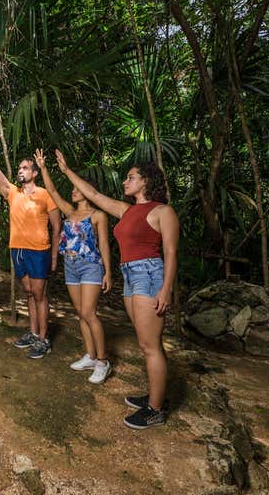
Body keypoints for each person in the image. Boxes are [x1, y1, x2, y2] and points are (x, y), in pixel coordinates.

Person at [55, 149, 179, 429]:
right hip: (130, 275)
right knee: (147, 342)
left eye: (130, 177)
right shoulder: (127, 210)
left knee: (150, 345)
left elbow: (171, 253)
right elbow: (93, 195)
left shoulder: (163, 212)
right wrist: (66, 170)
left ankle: (155, 409)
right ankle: (155, 396)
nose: (125, 181)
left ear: (146, 181)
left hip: (149, 274)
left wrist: (166, 289)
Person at [0, 124, 61, 359]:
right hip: (18, 250)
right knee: (28, 293)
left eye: (25, 168)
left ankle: (44, 339)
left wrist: (54, 256)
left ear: (34, 173)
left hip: (39, 251)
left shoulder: (45, 194)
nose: (20, 171)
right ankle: (33, 334)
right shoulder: (12, 192)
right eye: (19, 168)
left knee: (39, 294)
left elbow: (57, 227)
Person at [34, 150, 113, 384]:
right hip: (70, 266)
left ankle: (103, 361)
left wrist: (108, 272)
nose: (73, 190)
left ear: (87, 191)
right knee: (80, 313)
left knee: (89, 312)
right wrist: (44, 168)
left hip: (91, 266)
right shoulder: (70, 212)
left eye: (77, 188)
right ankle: (90, 355)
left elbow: (104, 245)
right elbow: (52, 192)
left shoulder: (98, 215)